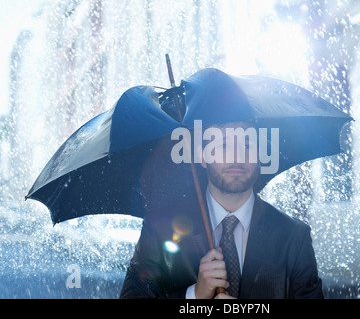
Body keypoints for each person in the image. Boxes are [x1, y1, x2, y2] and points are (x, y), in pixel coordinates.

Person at [119, 121, 324, 299]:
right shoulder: (159, 229)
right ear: (203, 156)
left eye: (246, 145)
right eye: (224, 144)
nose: (236, 156)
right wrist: (195, 296)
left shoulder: (294, 237)